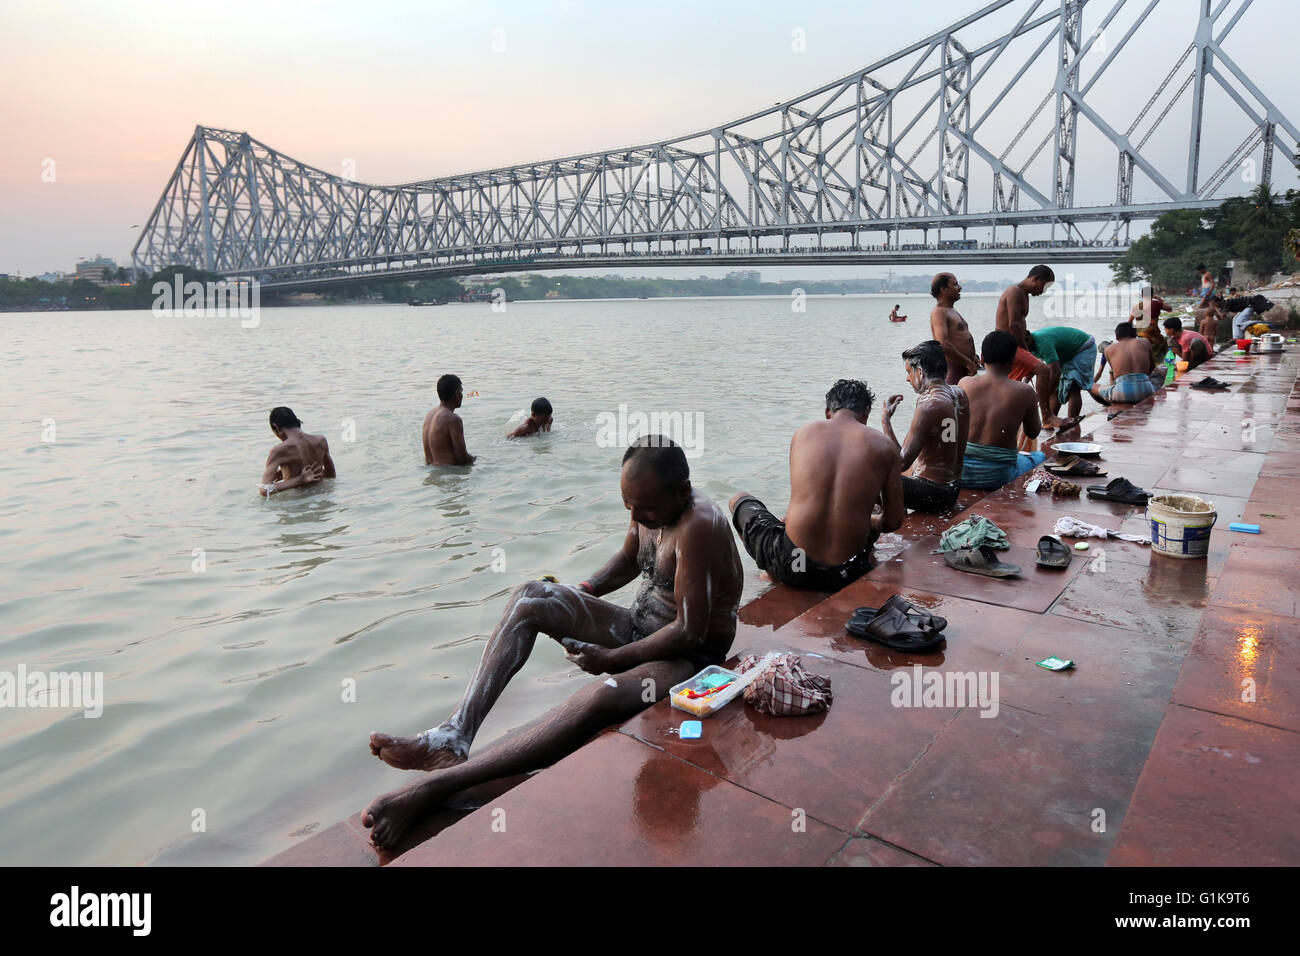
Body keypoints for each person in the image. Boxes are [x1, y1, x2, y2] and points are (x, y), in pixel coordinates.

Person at [363, 437, 743, 849]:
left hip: (687, 655)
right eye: (628, 505)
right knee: (534, 596)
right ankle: (453, 735)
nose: (636, 515)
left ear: (682, 491)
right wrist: (581, 592)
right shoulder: (646, 507)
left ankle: (435, 788)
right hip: (639, 626)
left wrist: (613, 659)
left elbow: (689, 629)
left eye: (645, 508)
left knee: (602, 696)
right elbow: (630, 560)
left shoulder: (699, 524)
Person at [729, 379, 903, 591]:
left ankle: (773, 572)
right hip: (847, 572)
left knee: (737, 499)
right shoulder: (885, 446)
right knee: (873, 506)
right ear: (866, 413)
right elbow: (893, 522)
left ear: (828, 411)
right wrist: (868, 519)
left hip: (796, 566)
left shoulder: (803, 433)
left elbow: (803, 498)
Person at [882, 341, 970, 513]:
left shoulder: (929, 405)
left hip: (933, 494)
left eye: (909, 372)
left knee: (868, 475)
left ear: (920, 372)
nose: (908, 378)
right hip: (953, 488)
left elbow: (900, 462)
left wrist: (886, 420)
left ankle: (887, 521)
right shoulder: (959, 394)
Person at [957, 331, 1045, 489]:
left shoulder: (964, 383)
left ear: (982, 358)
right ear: (1013, 360)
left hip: (960, 473)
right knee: (1040, 456)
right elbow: (1033, 432)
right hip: (998, 476)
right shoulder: (1025, 391)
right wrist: (1033, 406)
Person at [995, 265, 1055, 422]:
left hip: (1012, 345)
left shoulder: (1023, 293)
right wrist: (1027, 352)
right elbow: (1014, 325)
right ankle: (1047, 417)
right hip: (1006, 345)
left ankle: (1014, 419)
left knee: (1014, 385)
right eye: (1045, 286)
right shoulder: (1014, 292)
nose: (1044, 291)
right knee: (1043, 370)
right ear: (1036, 279)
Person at [1025, 326, 1097, 424]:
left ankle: (1072, 421)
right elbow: (1039, 364)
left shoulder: (1043, 343)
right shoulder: (1029, 345)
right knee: (1055, 389)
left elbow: (1055, 372)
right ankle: (1051, 418)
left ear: (1028, 337)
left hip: (1083, 348)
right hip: (1067, 352)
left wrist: (1045, 395)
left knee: (1073, 387)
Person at [258, 406, 335, 496]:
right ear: (297, 422)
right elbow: (331, 475)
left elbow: (265, 489)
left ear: (276, 427)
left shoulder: (279, 450)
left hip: (297, 504)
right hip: (322, 497)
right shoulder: (321, 440)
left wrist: (299, 480)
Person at [929, 273, 980, 384]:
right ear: (943, 289)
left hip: (964, 368)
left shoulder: (951, 310)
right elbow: (942, 344)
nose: (960, 287)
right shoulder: (939, 312)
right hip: (954, 370)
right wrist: (967, 362)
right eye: (955, 284)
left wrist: (972, 358)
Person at [1090, 322, 1156, 406]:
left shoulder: (1108, 349)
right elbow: (1152, 369)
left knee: (1090, 386)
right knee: (1162, 368)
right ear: (1135, 335)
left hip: (1122, 394)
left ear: (1117, 337)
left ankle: (1109, 405)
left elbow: (1116, 376)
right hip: (1147, 391)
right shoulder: (1145, 342)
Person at [423, 373, 475, 465]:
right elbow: (463, 459)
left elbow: (428, 460)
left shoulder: (429, 415)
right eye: (461, 391)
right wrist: (478, 459)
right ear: (456, 394)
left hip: (432, 474)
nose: (462, 395)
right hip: (449, 474)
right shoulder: (453, 419)